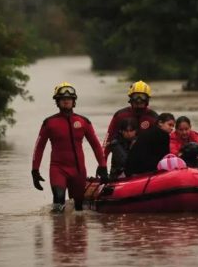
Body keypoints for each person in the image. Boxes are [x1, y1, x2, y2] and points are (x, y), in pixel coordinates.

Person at [31, 82, 108, 212]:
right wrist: (35, 171)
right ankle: (58, 229)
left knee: (78, 209)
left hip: (78, 170)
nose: (66, 101)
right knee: (59, 199)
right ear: (57, 102)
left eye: (69, 99)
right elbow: (39, 147)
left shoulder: (84, 122)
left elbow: (95, 145)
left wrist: (103, 166)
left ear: (74, 101)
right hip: (58, 169)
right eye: (62, 99)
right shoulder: (49, 123)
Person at [103, 80, 158, 158]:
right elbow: (108, 139)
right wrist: (102, 164)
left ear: (147, 99)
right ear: (131, 98)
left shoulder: (153, 117)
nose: (139, 99)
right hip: (120, 161)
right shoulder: (120, 115)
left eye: (142, 96)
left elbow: (161, 142)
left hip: (146, 160)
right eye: (136, 96)